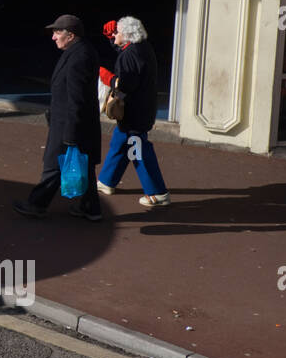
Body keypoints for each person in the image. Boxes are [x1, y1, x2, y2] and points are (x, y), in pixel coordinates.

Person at [13, 14, 103, 221]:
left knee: (54, 165)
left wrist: (70, 133)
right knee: (84, 163)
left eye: (57, 32)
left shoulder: (79, 57)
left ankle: (36, 204)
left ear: (70, 35)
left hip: (69, 123)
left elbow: (76, 98)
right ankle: (91, 207)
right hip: (77, 122)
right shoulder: (79, 51)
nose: (53, 37)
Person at [97, 16, 170, 208]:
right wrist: (111, 37)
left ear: (127, 35)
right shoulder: (141, 47)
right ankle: (106, 181)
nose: (115, 35)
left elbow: (125, 85)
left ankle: (157, 193)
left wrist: (108, 78)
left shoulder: (129, 55)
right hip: (143, 109)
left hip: (134, 112)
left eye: (117, 33)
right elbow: (124, 51)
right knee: (120, 143)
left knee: (138, 151)